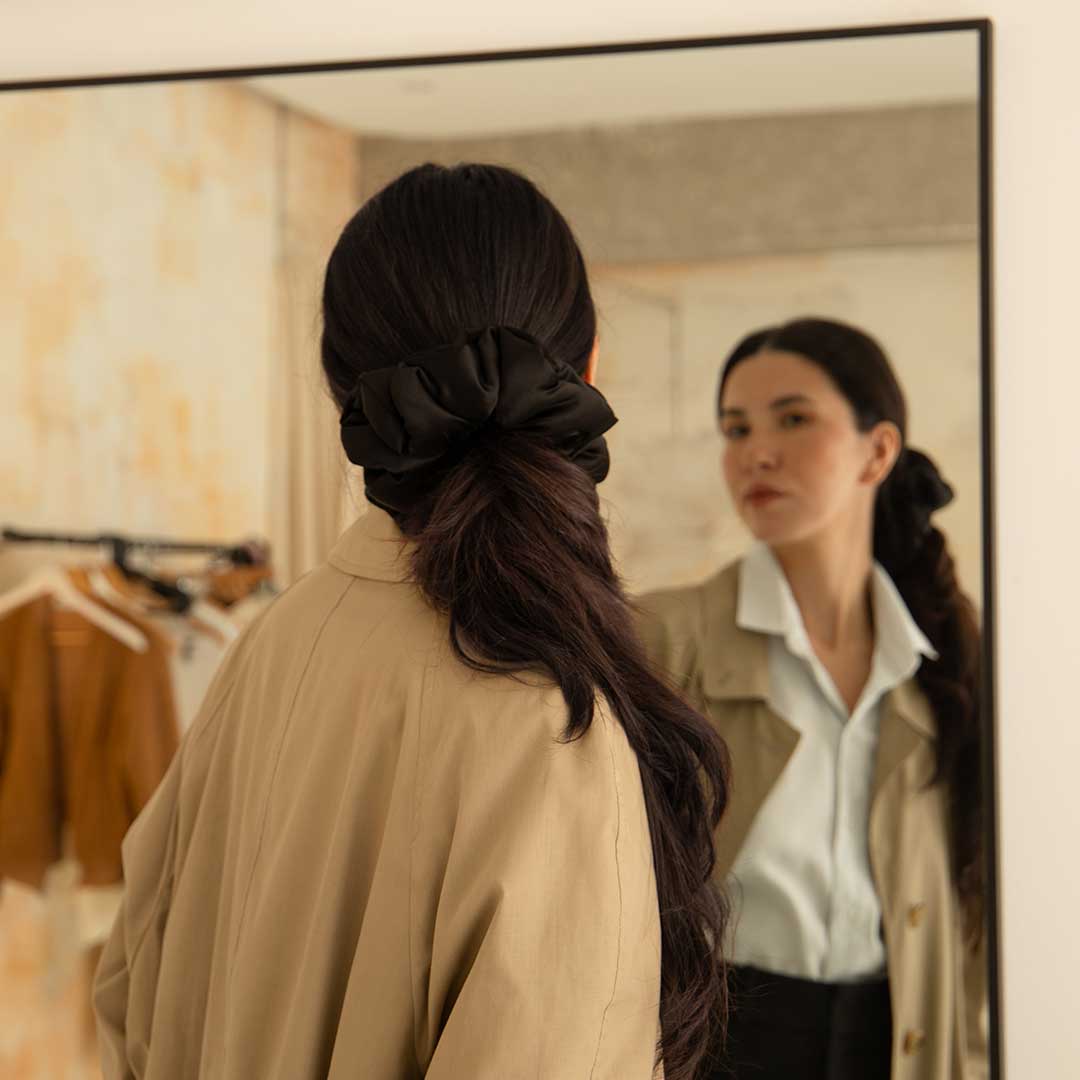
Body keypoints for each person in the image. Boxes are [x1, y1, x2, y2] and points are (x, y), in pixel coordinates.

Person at [92, 163, 732, 1080]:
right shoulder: (552, 719)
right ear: (586, 370)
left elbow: (128, 987)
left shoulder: (273, 641)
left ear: (339, 391)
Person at [636, 318, 988, 1080]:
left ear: (879, 450)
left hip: (895, 1046)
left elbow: (972, 921)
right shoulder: (664, 640)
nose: (756, 452)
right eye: (736, 428)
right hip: (719, 1051)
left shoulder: (945, 662)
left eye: (793, 419)